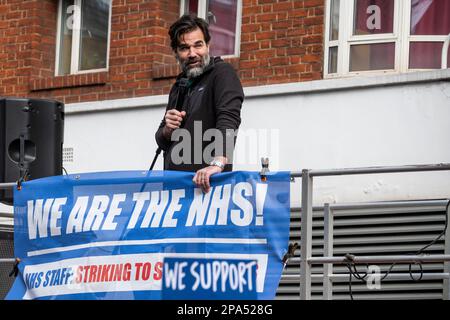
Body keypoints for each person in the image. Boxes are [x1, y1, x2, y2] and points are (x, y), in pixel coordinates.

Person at [155, 14, 244, 193]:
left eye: (198, 45)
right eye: (184, 48)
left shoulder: (222, 73)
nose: (192, 54)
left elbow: (228, 119)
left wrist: (218, 163)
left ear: (208, 46)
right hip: (175, 190)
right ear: (176, 53)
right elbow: (161, 140)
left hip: (207, 188)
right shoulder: (179, 85)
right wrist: (167, 130)